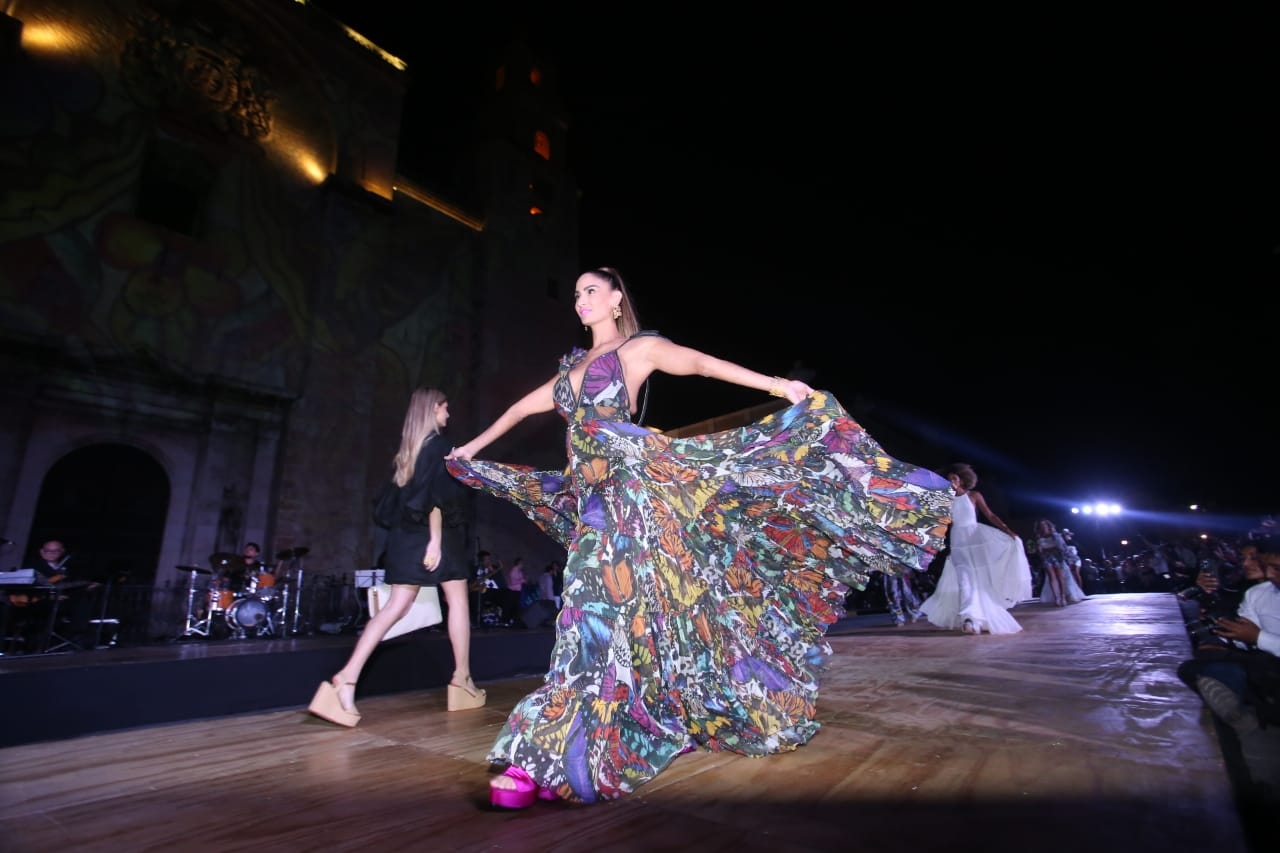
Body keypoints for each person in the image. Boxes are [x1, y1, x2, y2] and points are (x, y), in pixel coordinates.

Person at [445, 266, 953, 808]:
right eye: (575, 295)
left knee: (593, 609)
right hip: (593, 501)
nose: (580, 301)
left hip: (634, 491)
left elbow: (702, 364)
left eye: (591, 291)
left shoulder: (639, 350)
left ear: (617, 300)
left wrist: (777, 385)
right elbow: (524, 407)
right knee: (613, 609)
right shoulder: (572, 367)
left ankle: (546, 756)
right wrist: (472, 447)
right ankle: (618, 731)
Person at [308, 387, 484, 727]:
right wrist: (435, 542)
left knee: (393, 609)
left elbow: (399, 502)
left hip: (404, 537)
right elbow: (435, 498)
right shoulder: (439, 447)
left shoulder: (408, 451)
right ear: (434, 409)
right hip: (435, 536)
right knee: (458, 602)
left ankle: (346, 678)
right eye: (445, 408)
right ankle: (461, 678)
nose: (448, 415)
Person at [919, 463, 1031, 635]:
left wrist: (1008, 531)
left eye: (954, 478)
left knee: (979, 581)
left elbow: (991, 515)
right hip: (958, 542)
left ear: (962, 479)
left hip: (976, 539)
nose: (951, 482)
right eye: (948, 480)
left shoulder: (974, 495)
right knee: (964, 580)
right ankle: (968, 619)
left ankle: (978, 618)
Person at [1032, 519, 1080, 607]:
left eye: (1044, 525)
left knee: (1059, 576)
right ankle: (1056, 597)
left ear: (1048, 526)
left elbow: (1061, 546)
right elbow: (1039, 549)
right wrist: (1041, 551)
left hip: (1057, 557)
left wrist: (1049, 549)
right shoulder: (1039, 537)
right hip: (1046, 557)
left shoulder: (1055, 535)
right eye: (1041, 526)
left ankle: (1062, 596)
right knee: (1051, 576)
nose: (1043, 527)